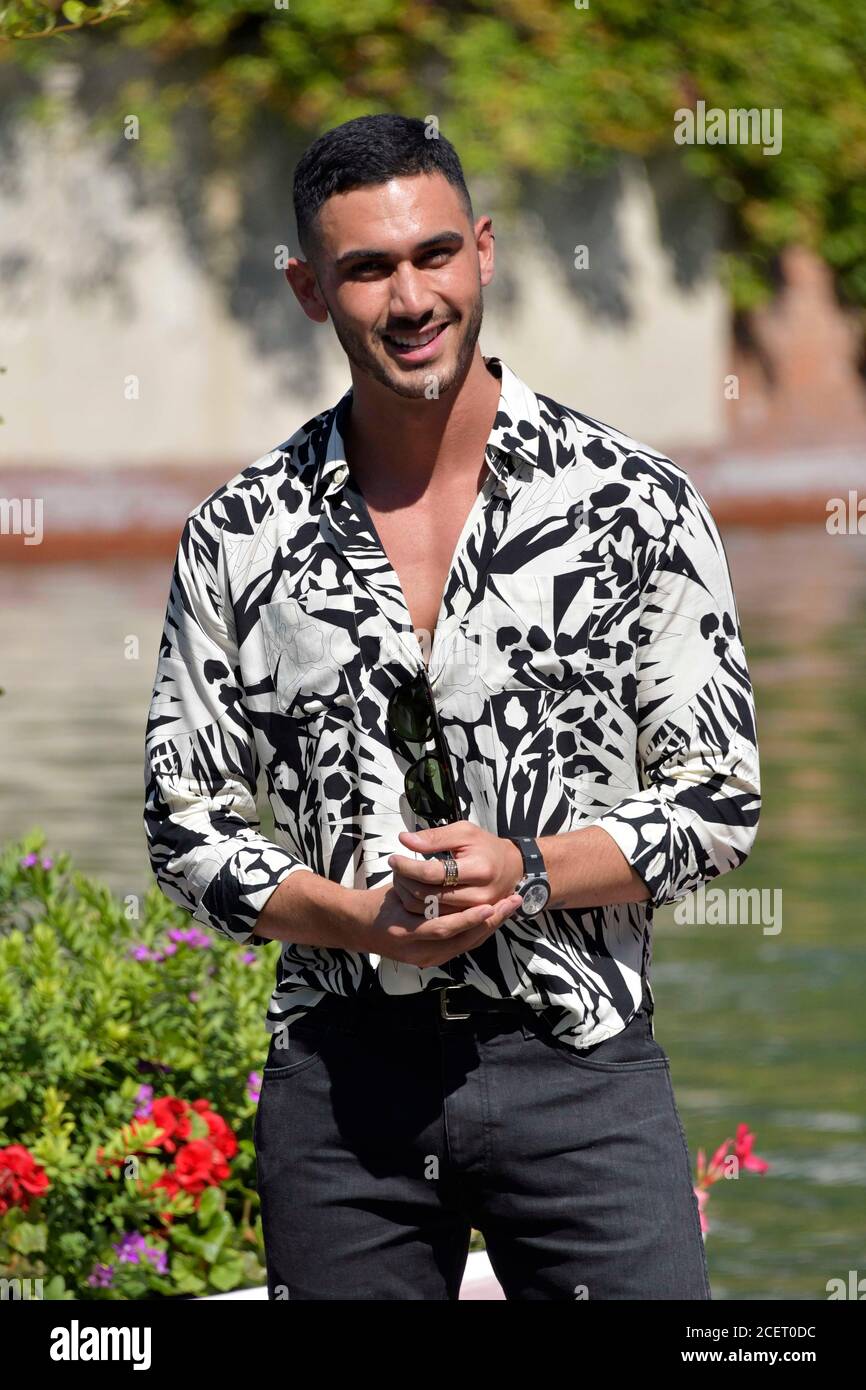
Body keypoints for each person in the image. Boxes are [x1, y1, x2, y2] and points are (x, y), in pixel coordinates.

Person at [143, 113, 761, 1300]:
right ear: (308, 290)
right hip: (341, 1087)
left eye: (433, 254)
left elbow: (715, 801)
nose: (410, 295)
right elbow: (185, 825)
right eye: (366, 269)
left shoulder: (633, 503)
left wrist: (523, 870)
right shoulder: (238, 532)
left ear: (482, 248)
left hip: (579, 1067)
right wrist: (349, 917)